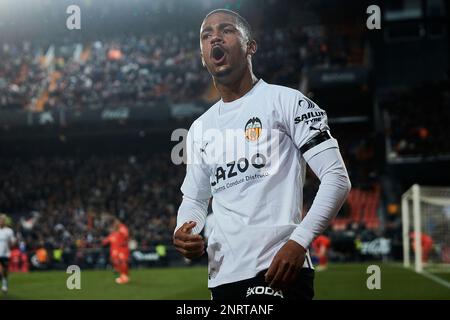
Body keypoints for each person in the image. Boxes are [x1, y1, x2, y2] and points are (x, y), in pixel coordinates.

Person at [173, 9, 351, 300]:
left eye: (226, 30)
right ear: (203, 54)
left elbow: (336, 178)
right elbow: (194, 198)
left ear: (250, 46)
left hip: (277, 269)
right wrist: (186, 229)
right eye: (206, 35)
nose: (215, 36)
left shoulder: (287, 102)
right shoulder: (199, 128)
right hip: (223, 277)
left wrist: (299, 242)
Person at [102, 218, 130, 284]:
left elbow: (125, 236)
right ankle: (123, 276)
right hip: (119, 249)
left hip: (123, 248)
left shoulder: (122, 228)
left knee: (122, 262)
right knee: (120, 262)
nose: (115, 224)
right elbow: (105, 241)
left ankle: (124, 277)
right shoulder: (116, 232)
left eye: (116, 222)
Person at [0, 214, 16, 294]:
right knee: (0, 270)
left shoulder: (9, 231)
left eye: (2, 220)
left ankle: (5, 285)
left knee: (5, 271)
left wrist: (12, 242)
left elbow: (13, 242)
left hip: (5, 254)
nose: (1, 221)